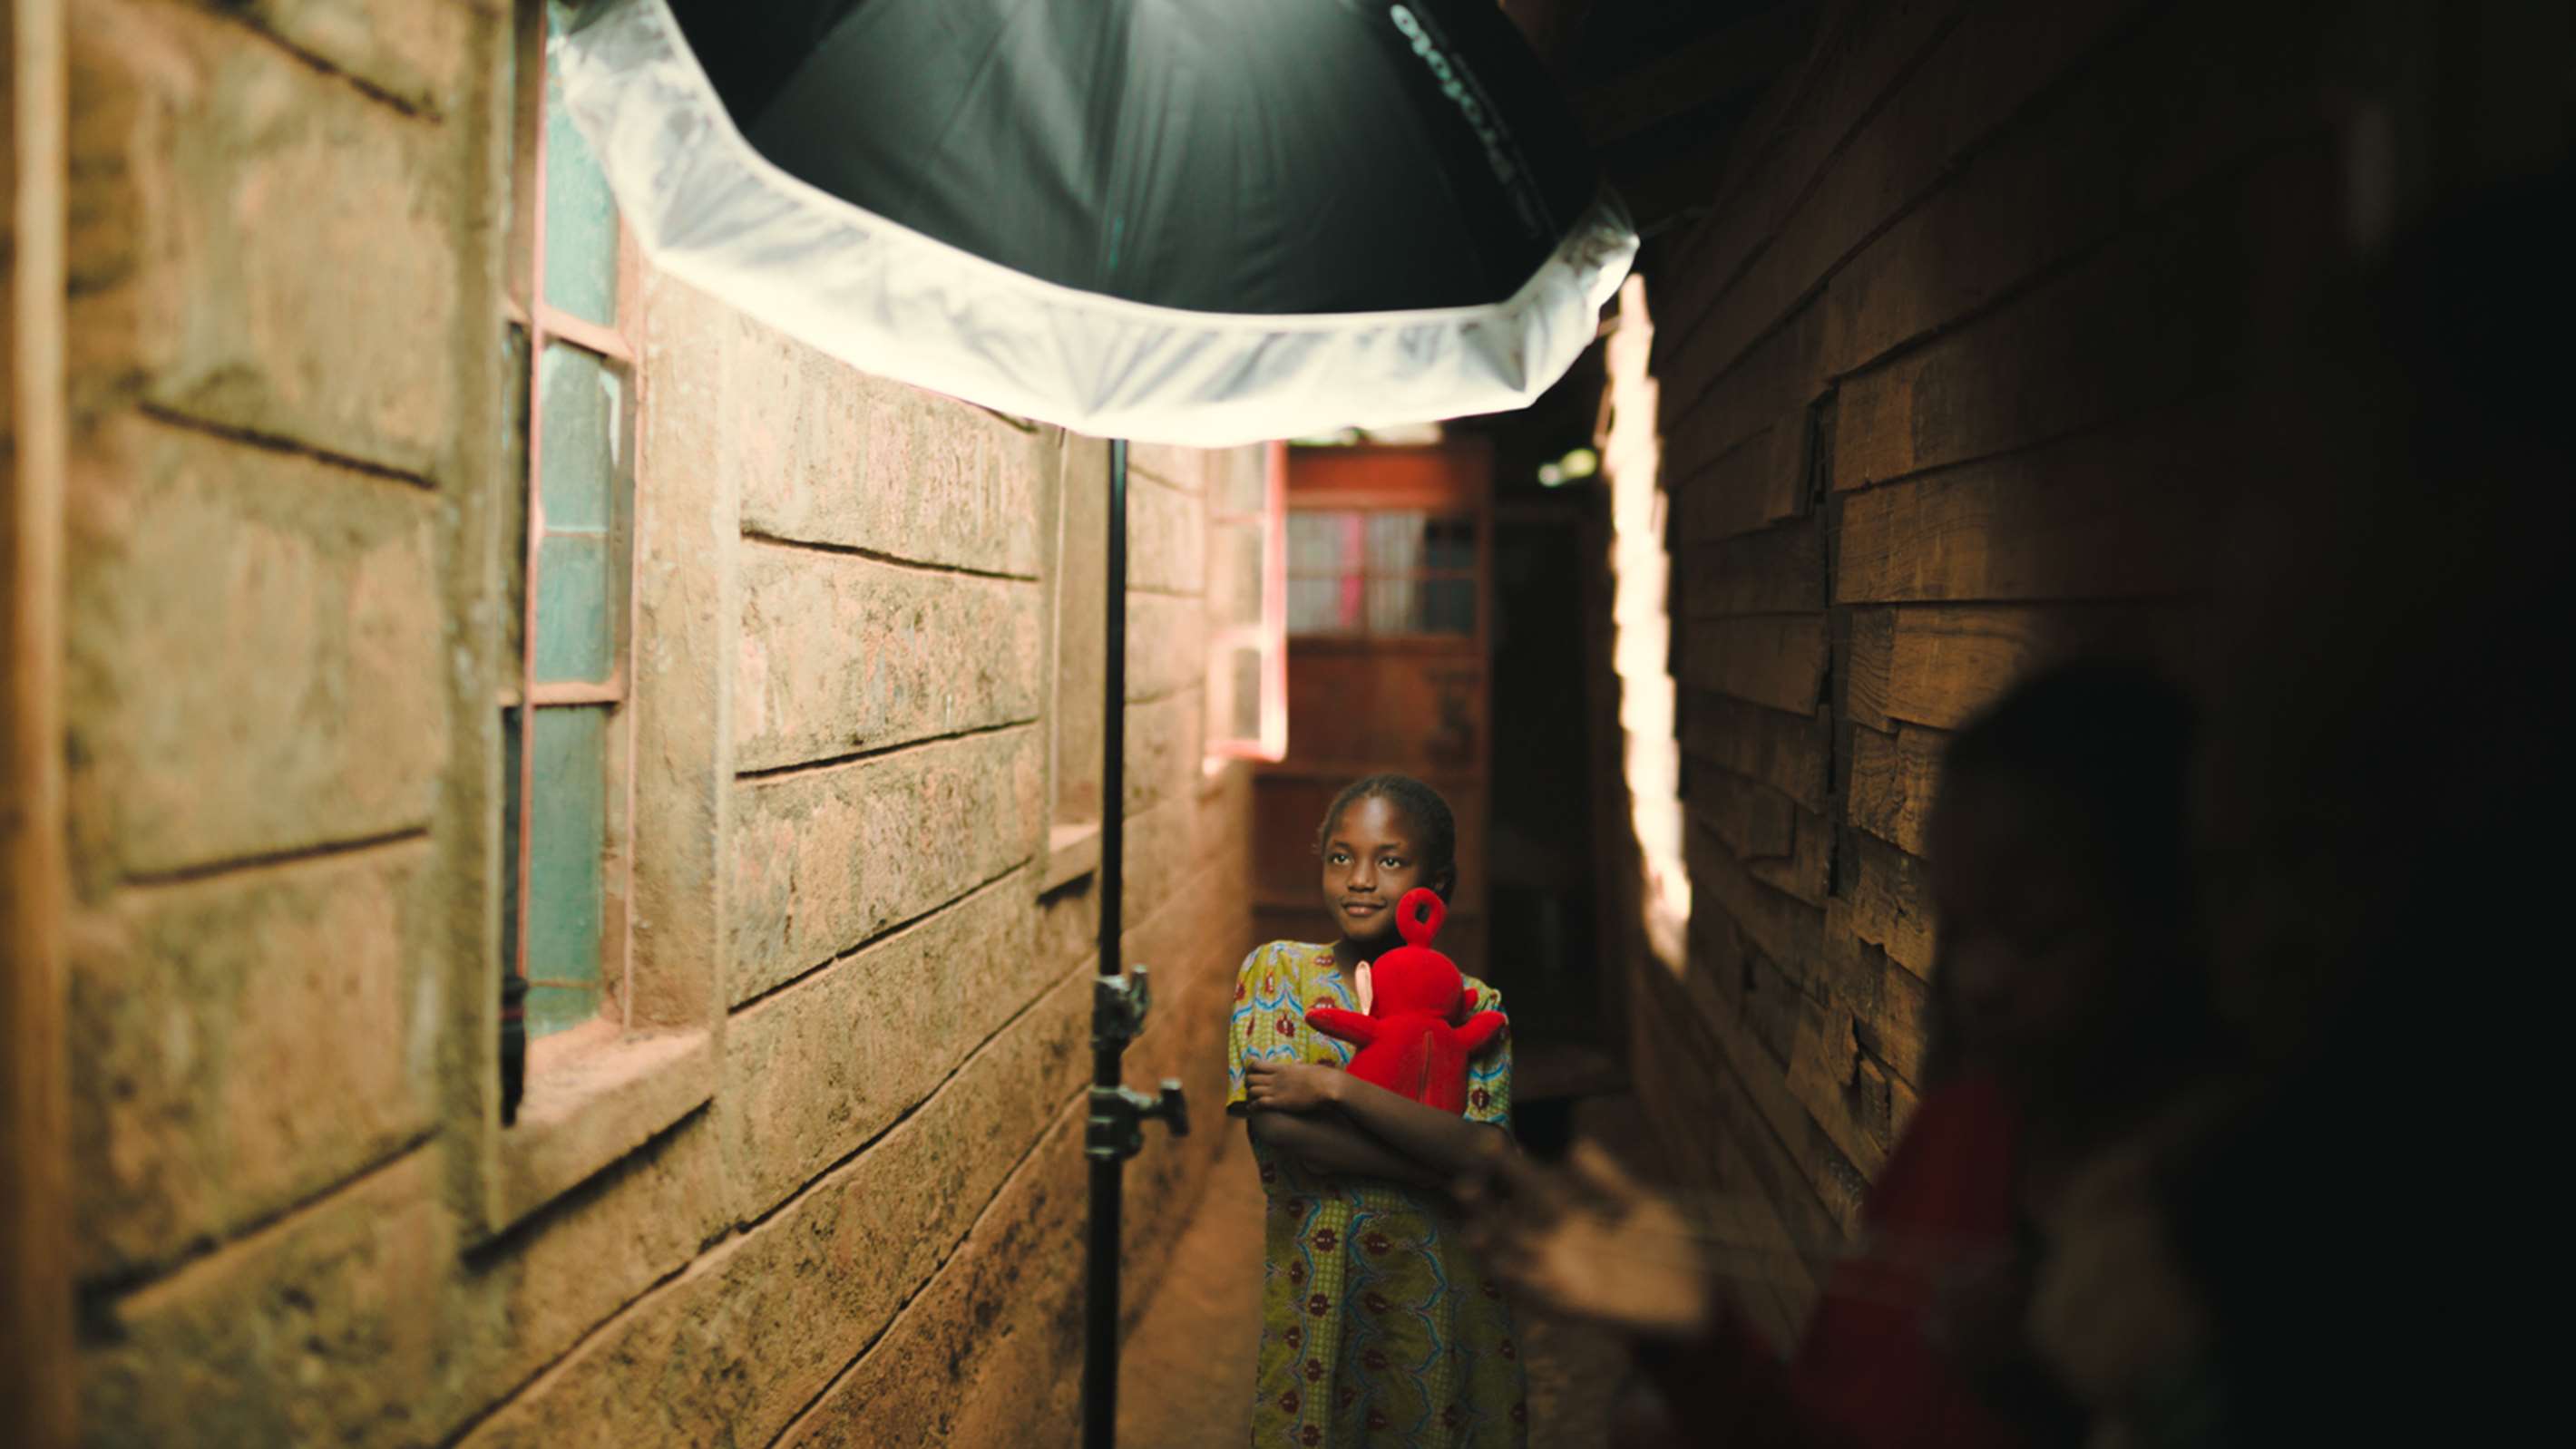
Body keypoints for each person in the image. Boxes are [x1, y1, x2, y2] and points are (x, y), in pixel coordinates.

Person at [1456, 662, 2221, 1448]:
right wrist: (1690, 1336)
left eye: (2039, 935)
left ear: (2183, 925)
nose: (1979, 980)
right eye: (1960, 932)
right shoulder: (1964, 1132)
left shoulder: (2223, 1249)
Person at [1227, 773, 1527, 1447]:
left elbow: (1491, 1154)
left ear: (1438, 884)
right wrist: (1443, 1159)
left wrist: (1338, 1091)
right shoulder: (1276, 975)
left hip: (1445, 1310)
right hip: (1319, 1306)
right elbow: (1279, 1130)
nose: (1361, 879)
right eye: (1341, 857)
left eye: (1390, 860)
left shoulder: (1477, 1006)